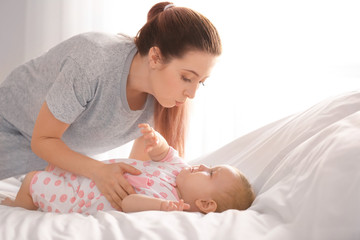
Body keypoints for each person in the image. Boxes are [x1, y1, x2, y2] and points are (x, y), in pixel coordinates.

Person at [0, 2, 222, 210]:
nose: (192, 93)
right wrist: (98, 170)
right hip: (10, 129)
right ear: (155, 57)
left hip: (62, 154)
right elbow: (43, 140)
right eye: (186, 77)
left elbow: (138, 171)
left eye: (200, 82)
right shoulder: (93, 62)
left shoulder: (164, 97)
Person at [1, 124, 255, 214]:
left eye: (210, 173)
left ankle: (22, 206)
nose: (202, 166)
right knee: (58, 166)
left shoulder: (168, 201)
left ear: (205, 204)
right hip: (91, 177)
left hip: (78, 199)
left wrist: (161, 207)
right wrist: (157, 141)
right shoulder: (179, 169)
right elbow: (164, 153)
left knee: (34, 179)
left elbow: (130, 203)